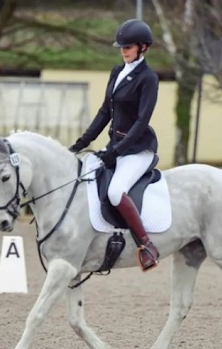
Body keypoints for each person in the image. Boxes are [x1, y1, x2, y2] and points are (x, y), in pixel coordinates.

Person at [69, 19, 160, 271]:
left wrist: (116, 152)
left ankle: (146, 246)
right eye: (121, 46)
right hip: (116, 146)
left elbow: (142, 122)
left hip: (137, 149)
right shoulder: (116, 72)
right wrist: (80, 144)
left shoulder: (148, 78)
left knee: (115, 191)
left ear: (143, 47)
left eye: (128, 46)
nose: (123, 50)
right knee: (85, 175)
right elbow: (103, 113)